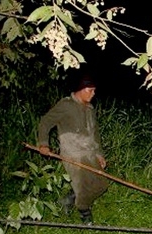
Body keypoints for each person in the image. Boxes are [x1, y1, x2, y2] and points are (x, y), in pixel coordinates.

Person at [37, 75, 109, 225]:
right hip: (73, 154)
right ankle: (85, 213)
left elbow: (95, 134)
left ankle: (69, 198)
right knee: (83, 187)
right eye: (91, 90)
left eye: (94, 90)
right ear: (81, 90)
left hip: (89, 153)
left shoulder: (90, 109)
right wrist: (43, 144)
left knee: (101, 185)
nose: (93, 93)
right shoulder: (66, 105)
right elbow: (45, 122)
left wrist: (99, 154)